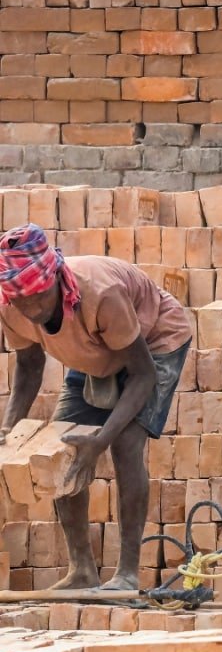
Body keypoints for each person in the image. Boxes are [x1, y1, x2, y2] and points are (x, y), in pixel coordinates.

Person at [0, 226, 192, 591]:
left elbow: (142, 375)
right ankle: (82, 570)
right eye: (21, 302)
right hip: (95, 349)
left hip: (152, 341)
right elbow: (28, 367)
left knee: (125, 443)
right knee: (63, 448)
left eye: (39, 298)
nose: (32, 309)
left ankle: (127, 574)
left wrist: (102, 439)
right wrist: (8, 431)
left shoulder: (100, 294)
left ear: (54, 278)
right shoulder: (12, 308)